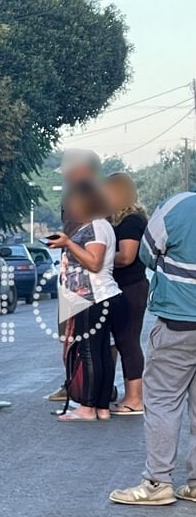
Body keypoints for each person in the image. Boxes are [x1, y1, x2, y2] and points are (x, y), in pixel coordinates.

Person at [110, 191, 196, 505]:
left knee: (162, 401)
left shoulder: (177, 206)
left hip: (178, 322)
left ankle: (158, 482)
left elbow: (146, 253)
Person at [47, 181, 121, 421]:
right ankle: (101, 407)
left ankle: (88, 408)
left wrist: (68, 243)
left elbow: (94, 262)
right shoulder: (98, 226)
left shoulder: (96, 227)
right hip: (96, 297)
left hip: (94, 298)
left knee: (90, 353)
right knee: (100, 353)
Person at [48, 149, 103, 402]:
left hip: (88, 282)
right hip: (70, 274)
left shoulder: (97, 200)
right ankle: (73, 383)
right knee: (69, 336)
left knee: (90, 341)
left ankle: (89, 390)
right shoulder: (73, 195)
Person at [104, 172, 148, 415]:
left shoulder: (132, 220)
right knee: (113, 341)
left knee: (127, 341)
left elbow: (127, 256)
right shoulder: (114, 220)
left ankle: (135, 398)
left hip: (131, 287)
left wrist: (97, 257)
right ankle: (108, 390)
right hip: (117, 288)